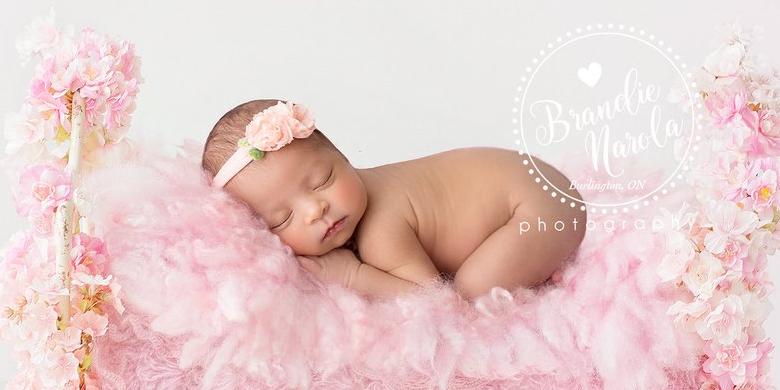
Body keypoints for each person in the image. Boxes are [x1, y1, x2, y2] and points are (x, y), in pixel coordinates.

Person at [202, 100, 587, 302]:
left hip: (539, 207)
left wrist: (353, 276)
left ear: (345, 157)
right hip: (532, 181)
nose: (315, 210)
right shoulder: (350, 205)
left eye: (324, 180)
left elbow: (434, 301)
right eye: (282, 219)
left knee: (471, 294)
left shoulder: (379, 228)